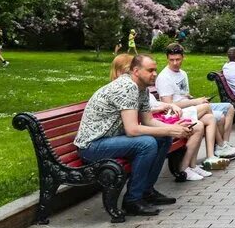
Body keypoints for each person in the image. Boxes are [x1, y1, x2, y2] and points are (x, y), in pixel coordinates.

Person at [74, 54, 191, 216]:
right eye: (150, 70)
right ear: (136, 71)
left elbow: (148, 121)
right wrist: (171, 129)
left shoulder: (141, 88)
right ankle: (132, 200)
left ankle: (146, 191)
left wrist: (171, 128)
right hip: (92, 145)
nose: (155, 74)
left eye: (155, 70)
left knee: (163, 138)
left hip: (110, 140)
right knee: (147, 143)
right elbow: (132, 130)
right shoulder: (127, 87)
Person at [155, 44, 235, 175]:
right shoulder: (164, 77)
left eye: (178, 59)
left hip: (190, 107)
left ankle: (211, 157)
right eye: (171, 60)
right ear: (167, 58)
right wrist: (195, 102)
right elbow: (169, 105)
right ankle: (220, 146)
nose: (175, 63)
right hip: (177, 114)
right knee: (211, 112)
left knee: (215, 116)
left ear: (183, 57)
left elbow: (184, 95)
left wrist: (194, 99)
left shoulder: (182, 73)